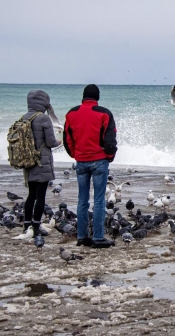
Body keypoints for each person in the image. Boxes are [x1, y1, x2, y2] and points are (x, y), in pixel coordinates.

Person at [63, 84, 117, 248]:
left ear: (83, 96)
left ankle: (82, 236)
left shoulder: (71, 113)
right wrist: (109, 156)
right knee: (99, 200)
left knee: (82, 199)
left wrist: (75, 154)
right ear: (97, 97)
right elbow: (110, 138)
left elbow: (67, 137)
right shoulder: (104, 113)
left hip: (81, 161)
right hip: (99, 160)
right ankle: (98, 237)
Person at [23, 90, 62, 236]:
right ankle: (37, 226)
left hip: (28, 161)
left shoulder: (24, 117)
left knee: (31, 195)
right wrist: (60, 141)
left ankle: (27, 226)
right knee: (41, 196)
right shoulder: (44, 118)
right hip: (42, 162)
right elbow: (51, 142)